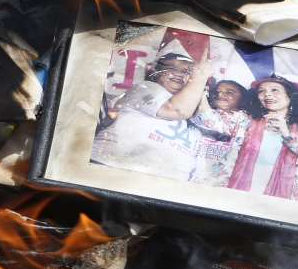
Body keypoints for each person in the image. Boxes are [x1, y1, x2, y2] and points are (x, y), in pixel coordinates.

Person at [91, 50, 216, 181]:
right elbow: (178, 110)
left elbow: (213, 129)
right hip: (114, 168)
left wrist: (200, 89)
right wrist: (200, 76)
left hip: (164, 183)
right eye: (171, 68)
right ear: (156, 72)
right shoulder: (144, 88)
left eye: (186, 71)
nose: (179, 74)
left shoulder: (194, 104)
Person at [204, 75, 298, 200]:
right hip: (238, 191)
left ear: (290, 96)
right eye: (261, 91)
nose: (267, 94)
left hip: (282, 198)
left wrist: (289, 136)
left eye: (274, 90)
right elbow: (206, 120)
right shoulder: (245, 120)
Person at [189, 80, 250, 186]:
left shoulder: (242, 119)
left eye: (229, 92)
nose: (220, 94)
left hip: (217, 183)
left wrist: (201, 90)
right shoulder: (197, 111)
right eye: (216, 91)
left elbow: (208, 120)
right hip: (190, 175)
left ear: (243, 101)